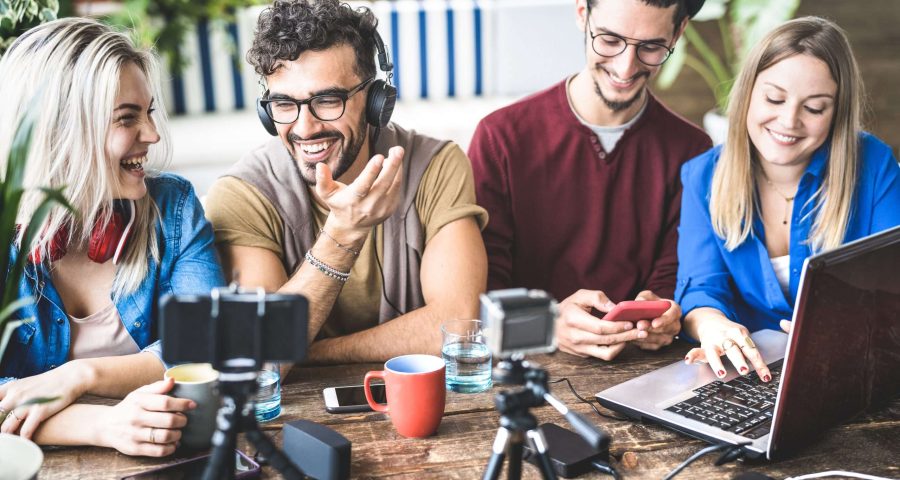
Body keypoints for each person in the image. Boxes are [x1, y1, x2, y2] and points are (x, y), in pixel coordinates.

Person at [204, 0, 488, 364]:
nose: (305, 128)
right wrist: (343, 234)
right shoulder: (241, 195)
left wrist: (311, 352)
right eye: (284, 104)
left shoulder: (437, 166)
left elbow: (458, 325)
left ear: (375, 101)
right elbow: (261, 356)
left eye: (327, 100)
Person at [0, 18, 225, 455]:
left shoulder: (173, 207)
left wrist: (81, 375)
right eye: (127, 118)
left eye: (150, 111)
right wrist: (101, 425)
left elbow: (210, 342)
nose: (153, 135)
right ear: (61, 131)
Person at [468, 0, 712, 360]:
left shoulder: (693, 150)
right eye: (610, 40)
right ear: (582, 12)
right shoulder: (501, 138)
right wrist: (547, 324)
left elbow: (677, 276)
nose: (625, 67)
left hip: (644, 370)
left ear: (678, 32)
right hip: (523, 369)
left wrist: (662, 312)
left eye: (650, 47)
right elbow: (479, 292)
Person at [677, 17, 900, 381]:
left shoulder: (874, 166)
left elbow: (892, 291)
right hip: (748, 372)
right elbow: (701, 287)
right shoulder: (702, 176)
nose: (789, 120)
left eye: (814, 108)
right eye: (774, 98)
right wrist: (713, 325)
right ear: (748, 91)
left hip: (852, 372)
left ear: (837, 112)